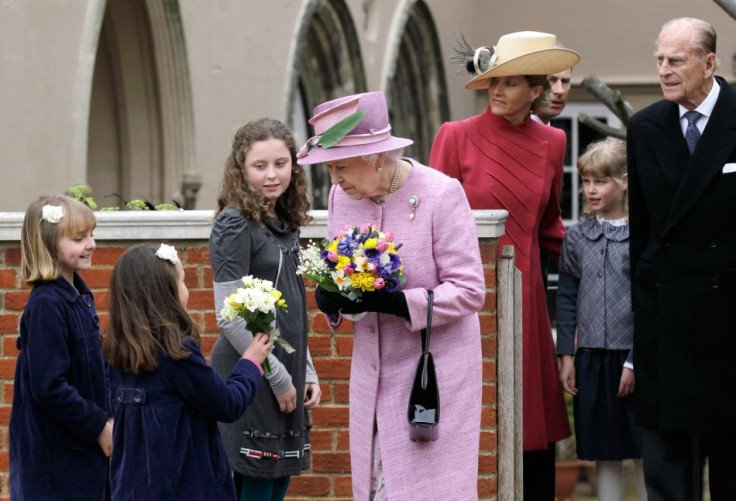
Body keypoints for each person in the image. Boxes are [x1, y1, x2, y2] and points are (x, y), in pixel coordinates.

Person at [298, 91, 485, 500]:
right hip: (372, 370)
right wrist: (331, 299)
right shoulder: (339, 199)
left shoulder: (441, 193)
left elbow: (470, 290)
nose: (336, 180)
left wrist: (400, 303)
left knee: (430, 489)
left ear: (378, 157)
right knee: (377, 486)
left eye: (342, 167)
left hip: (434, 372)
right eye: (329, 169)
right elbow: (339, 275)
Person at [429, 31, 580, 499]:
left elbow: (551, 227)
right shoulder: (454, 136)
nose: (496, 91)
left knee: (530, 426)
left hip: (528, 298)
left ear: (535, 90)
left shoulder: (554, 143)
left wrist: (607, 254)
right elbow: (431, 223)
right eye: (493, 80)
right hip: (467, 296)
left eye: (510, 82)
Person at [627, 17, 736, 500]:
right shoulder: (645, 127)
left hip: (729, 325)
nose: (664, 71)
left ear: (709, 63)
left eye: (676, 60)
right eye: (659, 60)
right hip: (666, 325)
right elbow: (643, 234)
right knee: (669, 476)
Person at [104, 244, 272, 500]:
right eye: (182, 282)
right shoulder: (178, 353)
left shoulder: (113, 350)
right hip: (186, 487)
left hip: (131, 489)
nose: (187, 290)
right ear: (165, 294)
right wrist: (250, 363)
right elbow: (226, 404)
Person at [209, 118, 320, 501]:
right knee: (255, 485)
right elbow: (228, 314)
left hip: (282, 368)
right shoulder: (233, 224)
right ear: (241, 169)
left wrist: (305, 370)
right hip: (249, 373)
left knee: (277, 483)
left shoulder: (284, 222)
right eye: (260, 166)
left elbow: (293, 308)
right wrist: (277, 378)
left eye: (281, 163)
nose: (272, 175)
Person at [556, 138, 647, 501]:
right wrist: (566, 354)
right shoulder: (577, 237)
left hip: (635, 360)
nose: (590, 190)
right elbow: (565, 297)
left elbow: (651, 304)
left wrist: (634, 361)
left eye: (600, 181)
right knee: (604, 454)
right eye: (586, 181)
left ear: (624, 181)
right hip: (591, 359)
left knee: (644, 451)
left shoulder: (643, 236)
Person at [9, 195, 111, 499]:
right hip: (56, 464)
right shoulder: (45, 305)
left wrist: (112, 416)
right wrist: (98, 426)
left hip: (84, 457)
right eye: (79, 238)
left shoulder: (80, 296)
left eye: (91, 235)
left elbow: (97, 370)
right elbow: (49, 386)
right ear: (49, 243)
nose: (91, 244)